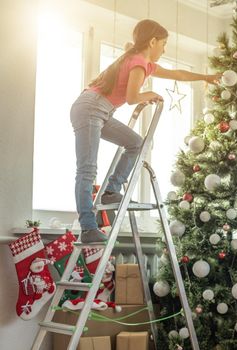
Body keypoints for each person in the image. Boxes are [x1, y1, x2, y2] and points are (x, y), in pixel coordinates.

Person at [70, 19, 220, 243]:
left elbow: (177, 74)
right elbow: (132, 98)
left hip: (101, 111)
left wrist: (205, 77)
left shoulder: (142, 63)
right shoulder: (138, 62)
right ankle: (88, 227)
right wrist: (148, 95)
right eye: (163, 43)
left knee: (137, 143)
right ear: (152, 41)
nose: (164, 48)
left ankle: (111, 190)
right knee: (87, 170)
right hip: (90, 108)